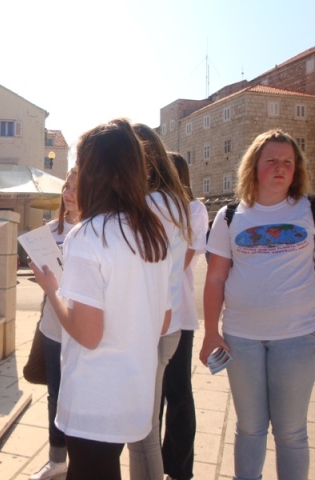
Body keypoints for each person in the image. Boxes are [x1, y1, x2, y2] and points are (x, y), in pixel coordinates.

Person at [32, 118, 172, 479]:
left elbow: (88, 334)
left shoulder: (88, 236)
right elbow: (164, 319)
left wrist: (52, 289)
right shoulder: (154, 233)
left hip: (94, 398)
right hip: (134, 392)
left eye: (81, 166)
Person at [199, 130, 315, 480]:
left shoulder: (310, 210)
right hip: (241, 338)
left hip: (298, 337)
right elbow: (215, 278)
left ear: (297, 169)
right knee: (249, 428)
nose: (280, 168)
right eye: (272, 161)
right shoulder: (230, 215)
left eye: (288, 162)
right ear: (253, 166)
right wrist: (210, 332)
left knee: (291, 430)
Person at [127, 124, 190, 480]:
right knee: (143, 430)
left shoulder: (152, 205)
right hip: (163, 327)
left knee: (143, 433)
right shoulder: (169, 202)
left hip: (153, 329)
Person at [160, 152, 209, 480]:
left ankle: (178, 470)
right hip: (152, 316)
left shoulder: (194, 210)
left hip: (180, 314)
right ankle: (152, 464)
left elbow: (184, 259)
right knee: (152, 399)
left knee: (177, 392)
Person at [30, 167, 80, 480]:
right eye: (66, 187)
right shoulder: (49, 231)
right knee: (56, 395)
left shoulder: (96, 230)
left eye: (75, 187)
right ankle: (57, 458)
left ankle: (82, 457)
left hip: (84, 328)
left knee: (82, 396)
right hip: (53, 327)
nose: (68, 193)